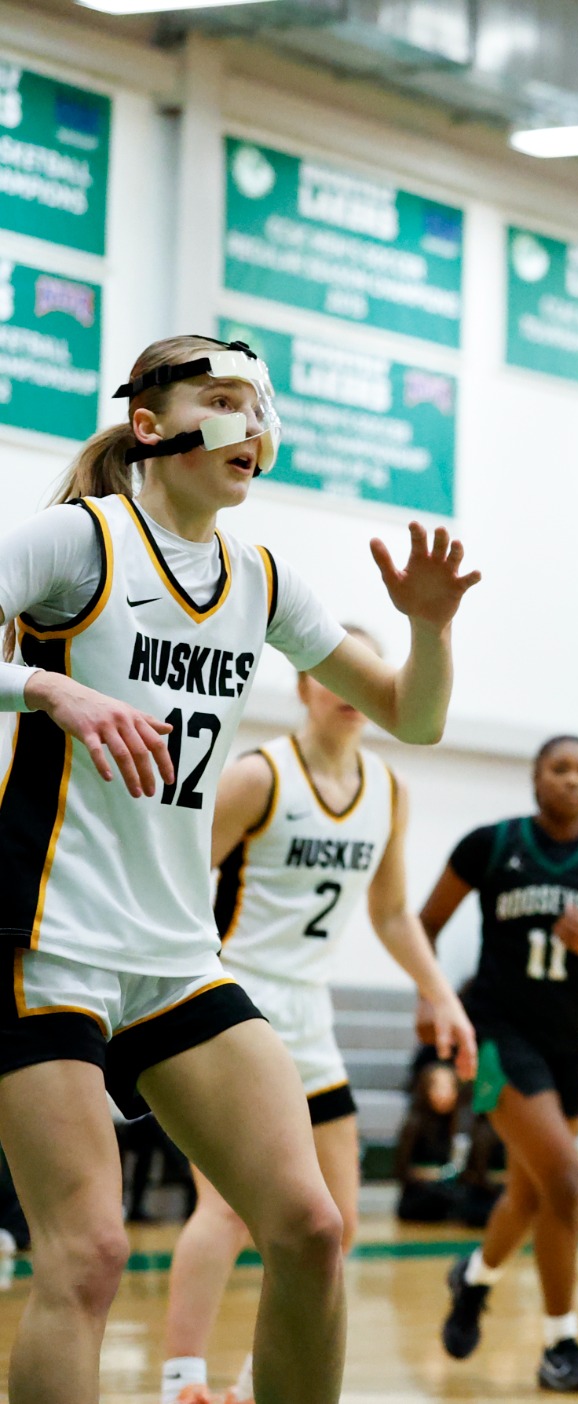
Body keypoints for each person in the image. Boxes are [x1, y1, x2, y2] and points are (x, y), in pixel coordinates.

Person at [0, 334, 477, 1404]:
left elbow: (415, 717)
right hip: (44, 937)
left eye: (259, 407)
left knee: (310, 1226)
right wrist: (46, 686)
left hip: (176, 955)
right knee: (88, 1255)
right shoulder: (82, 540)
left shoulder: (260, 580)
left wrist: (429, 631)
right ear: (150, 425)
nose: (249, 425)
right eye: (221, 399)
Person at [160, 626, 480, 1404]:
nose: (347, 686)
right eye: (331, 671)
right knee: (227, 1210)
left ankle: (252, 1385)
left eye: (365, 672)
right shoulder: (258, 776)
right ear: (303, 684)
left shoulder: (388, 791)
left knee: (337, 1224)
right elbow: (174, 875)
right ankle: (180, 1381)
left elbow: (393, 913)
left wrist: (441, 994)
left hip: (310, 1014)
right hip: (235, 1002)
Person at [421, 735, 578, 1393]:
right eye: (560, 768)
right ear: (535, 777)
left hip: (569, 1044)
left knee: (529, 1195)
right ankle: (560, 1345)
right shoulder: (491, 844)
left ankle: (473, 1279)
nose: (572, 780)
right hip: (494, 1038)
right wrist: (430, 998)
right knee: (566, 1182)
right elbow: (425, 924)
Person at [395, 1062, 463, 1224]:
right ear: (425, 1089)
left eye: (450, 1087)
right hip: (418, 1196)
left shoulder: (456, 1124)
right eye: (438, 1087)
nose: (445, 1093)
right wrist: (434, 1174)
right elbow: (400, 1170)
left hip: (445, 1190)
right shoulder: (414, 1125)